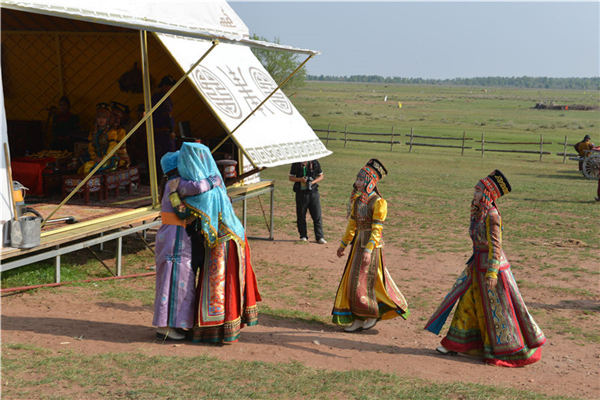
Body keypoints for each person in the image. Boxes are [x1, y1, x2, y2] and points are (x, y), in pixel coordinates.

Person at [425, 170, 546, 367]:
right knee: (466, 302)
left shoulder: (492, 215)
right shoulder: (478, 213)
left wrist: (492, 272)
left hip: (492, 268)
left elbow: (496, 247)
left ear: (488, 194)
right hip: (476, 265)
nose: (474, 194)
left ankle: (501, 350)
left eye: (478, 191)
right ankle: (454, 343)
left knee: (496, 311)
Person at [177, 142, 261, 344]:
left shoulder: (202, 191)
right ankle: (226, 331)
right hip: (235, 238)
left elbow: (183, 211)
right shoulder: (215, 181)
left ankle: (217, 332)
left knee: (219, 288)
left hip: (223, 244)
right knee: (227, 286)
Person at [332, 159, 409, 332]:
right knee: (353, 282)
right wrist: (343, 245)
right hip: (357, 245)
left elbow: (377, 229)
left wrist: (368, 249)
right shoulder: (358, 201)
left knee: (365, 281)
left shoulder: (379, 202)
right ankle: (358, 318)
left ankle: (370, 314)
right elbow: (352, 225)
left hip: (370, 248)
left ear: (370, 182)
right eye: (357, 179)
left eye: (361, 180)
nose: (357, 183)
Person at [153, 151, 223, 340]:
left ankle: (167, 324)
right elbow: (198, 187)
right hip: (175, 239)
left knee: (170, 280)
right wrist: (214, 179)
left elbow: (184, 209)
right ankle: (167, 326)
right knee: (177, 281)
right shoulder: (179, 184)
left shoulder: (170, 184)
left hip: (170, 236)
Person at [289, 160, 326, 243]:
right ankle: (303, 236)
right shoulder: (296, 163)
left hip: (313, 192)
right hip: (300, 193)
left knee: (317, 215)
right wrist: (300, 179)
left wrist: (312, 182)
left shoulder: (315, 163)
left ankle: (320, 237)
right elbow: (291, 177)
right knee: (301, 215)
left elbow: (321, 176)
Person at [78, 103, 118, 175]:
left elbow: (112, 148)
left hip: (108, 159)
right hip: (96, 158)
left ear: (108, 119)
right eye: (99, 117)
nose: (101, 120)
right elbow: (91, 147)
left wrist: (103, 158)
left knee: (88, 167)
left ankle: (90, 185)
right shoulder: (93, 132)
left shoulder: (111, 132)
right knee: (80, 167)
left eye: (104, 117)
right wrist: (94, 157)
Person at [152, 75, 177, 174]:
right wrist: (171, 130)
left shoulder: (166, 98)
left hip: (163, 131)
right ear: (163, 86)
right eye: (168, 86)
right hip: (162, 131)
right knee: (165, 155)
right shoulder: (160, 98)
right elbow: (167, 116)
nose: (169, 88)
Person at [109, 101, 131, 169]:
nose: (117, 120)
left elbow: (119, 150)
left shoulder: (121, 132)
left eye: (119, 117)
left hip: (115, 161)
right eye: (114, 116)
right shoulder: (102, 131)